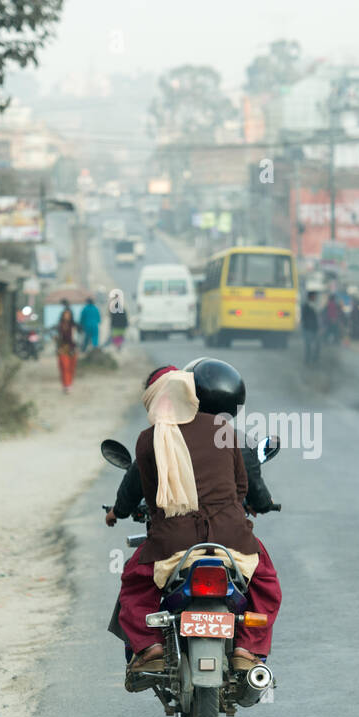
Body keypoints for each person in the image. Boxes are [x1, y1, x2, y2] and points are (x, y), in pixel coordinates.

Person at [105, 366, 281, 680]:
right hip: (231, 537)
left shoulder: (149, 439)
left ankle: (148, 648)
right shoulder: (223, 429)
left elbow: (148, 493)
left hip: (172, 542)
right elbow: (241, 488)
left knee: (134, 582)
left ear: (154, 401)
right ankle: (247, 650)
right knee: (265, 582)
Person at [55, 304, 79, 394]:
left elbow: (76, 338)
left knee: (71, 368)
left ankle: (69, 384)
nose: (67, 316)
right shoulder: (60, 326)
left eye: (68, 315)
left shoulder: (74, 326)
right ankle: (66, 385)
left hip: (72, 349)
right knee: (64, 367)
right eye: (65, 314)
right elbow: (58, 338)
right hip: (63, 348)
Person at [301, 291, 320, 366]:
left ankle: (314, 359)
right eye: (314, 296)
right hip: (308, 329)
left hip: (314, 329)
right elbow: (304, 318)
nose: (315, 298)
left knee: (317, 345)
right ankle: (307, 359)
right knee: (308, 345)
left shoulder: (315, 306)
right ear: (311, 297)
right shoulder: (306, 306)